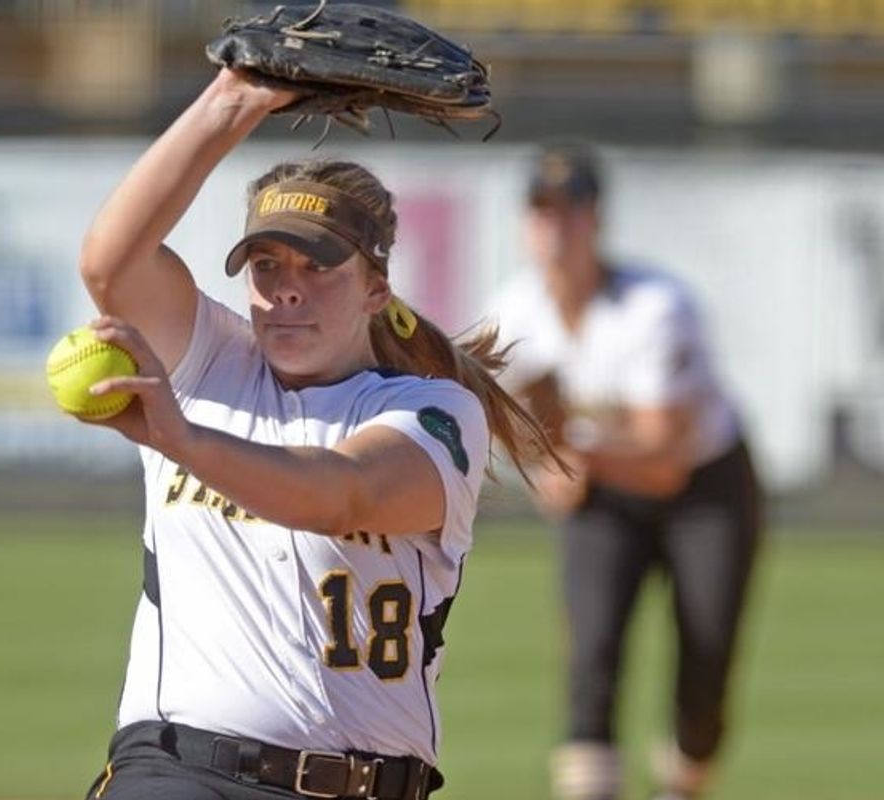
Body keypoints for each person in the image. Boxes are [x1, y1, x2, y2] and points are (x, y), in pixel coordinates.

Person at [71, 68, 559, 800]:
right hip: (176, 771)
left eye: (319, 264)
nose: (287, 287)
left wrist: (185, 442)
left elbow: (340, 494)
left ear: (376, 288)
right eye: (267, 264)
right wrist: (231, 99)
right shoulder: (209, 364)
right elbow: (110, 264)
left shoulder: (433, 412)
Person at [487, 143, 763, 800]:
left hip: (704, 489)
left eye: (569, 210)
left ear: (597, 220)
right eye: (541, 211)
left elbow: (664, 459)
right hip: (606, 498)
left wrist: (574, 460)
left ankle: (682, 784)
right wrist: (540, 467)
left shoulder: (654, 308)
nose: (554, 226)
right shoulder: (516, 311)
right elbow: (504, 422)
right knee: (591, 657)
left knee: (705, 661)